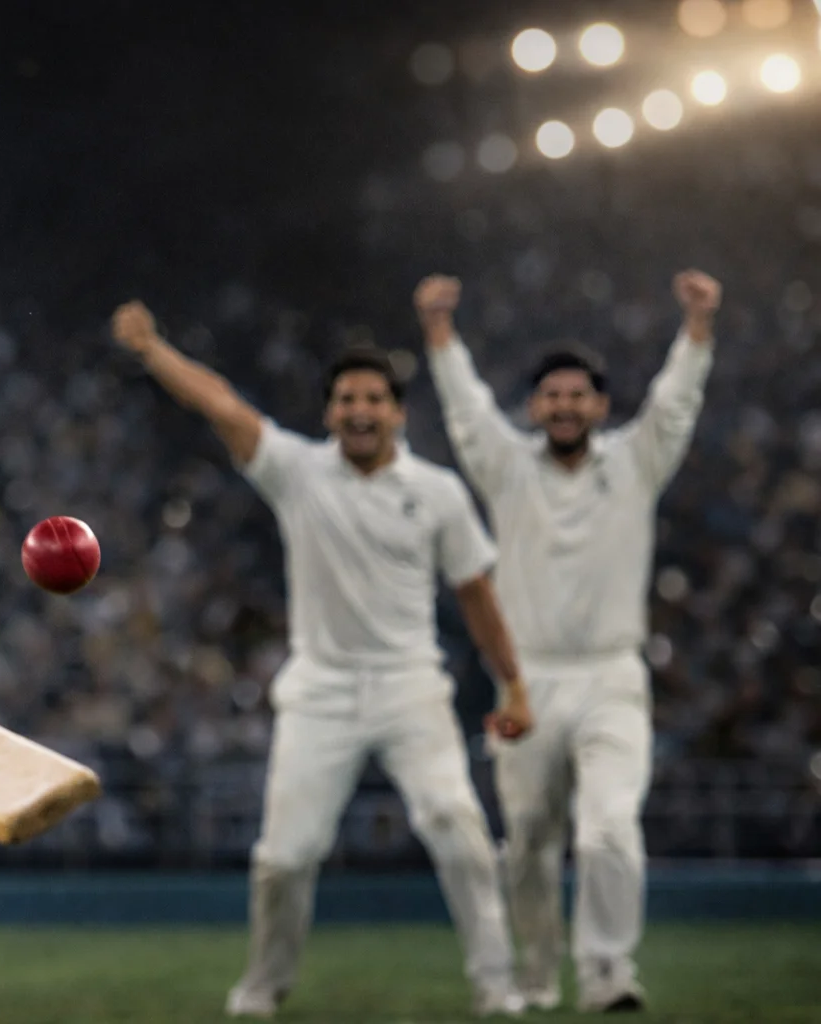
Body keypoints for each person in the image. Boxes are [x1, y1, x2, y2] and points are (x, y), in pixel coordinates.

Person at [111, 301, 535, 1019]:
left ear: (398, 413)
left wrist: (514, 686)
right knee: (284, 857)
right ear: (331, 413)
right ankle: (263, 987)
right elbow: (222, 403)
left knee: (459, 830)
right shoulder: (297, 472)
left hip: (410, 688)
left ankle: (497, 985)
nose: (360, 410)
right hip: (320, 690)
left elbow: (478, 596)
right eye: (347, 399)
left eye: (374, 398)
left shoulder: (438, 493)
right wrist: (153, 348)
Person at [416, 269, 721, 1013]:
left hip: (613, 675)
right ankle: (539, 971)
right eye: (551, 395)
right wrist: (440, 335)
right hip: (526, 680)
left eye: (578, 394)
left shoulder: (636, 461)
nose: (564, 405)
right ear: (534, 407)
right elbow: (466, 413)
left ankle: (609, 971)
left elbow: (675, 405)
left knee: (609, 827)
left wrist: (699, 330)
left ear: (601, 406)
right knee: (525, 843)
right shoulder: (507, 468)